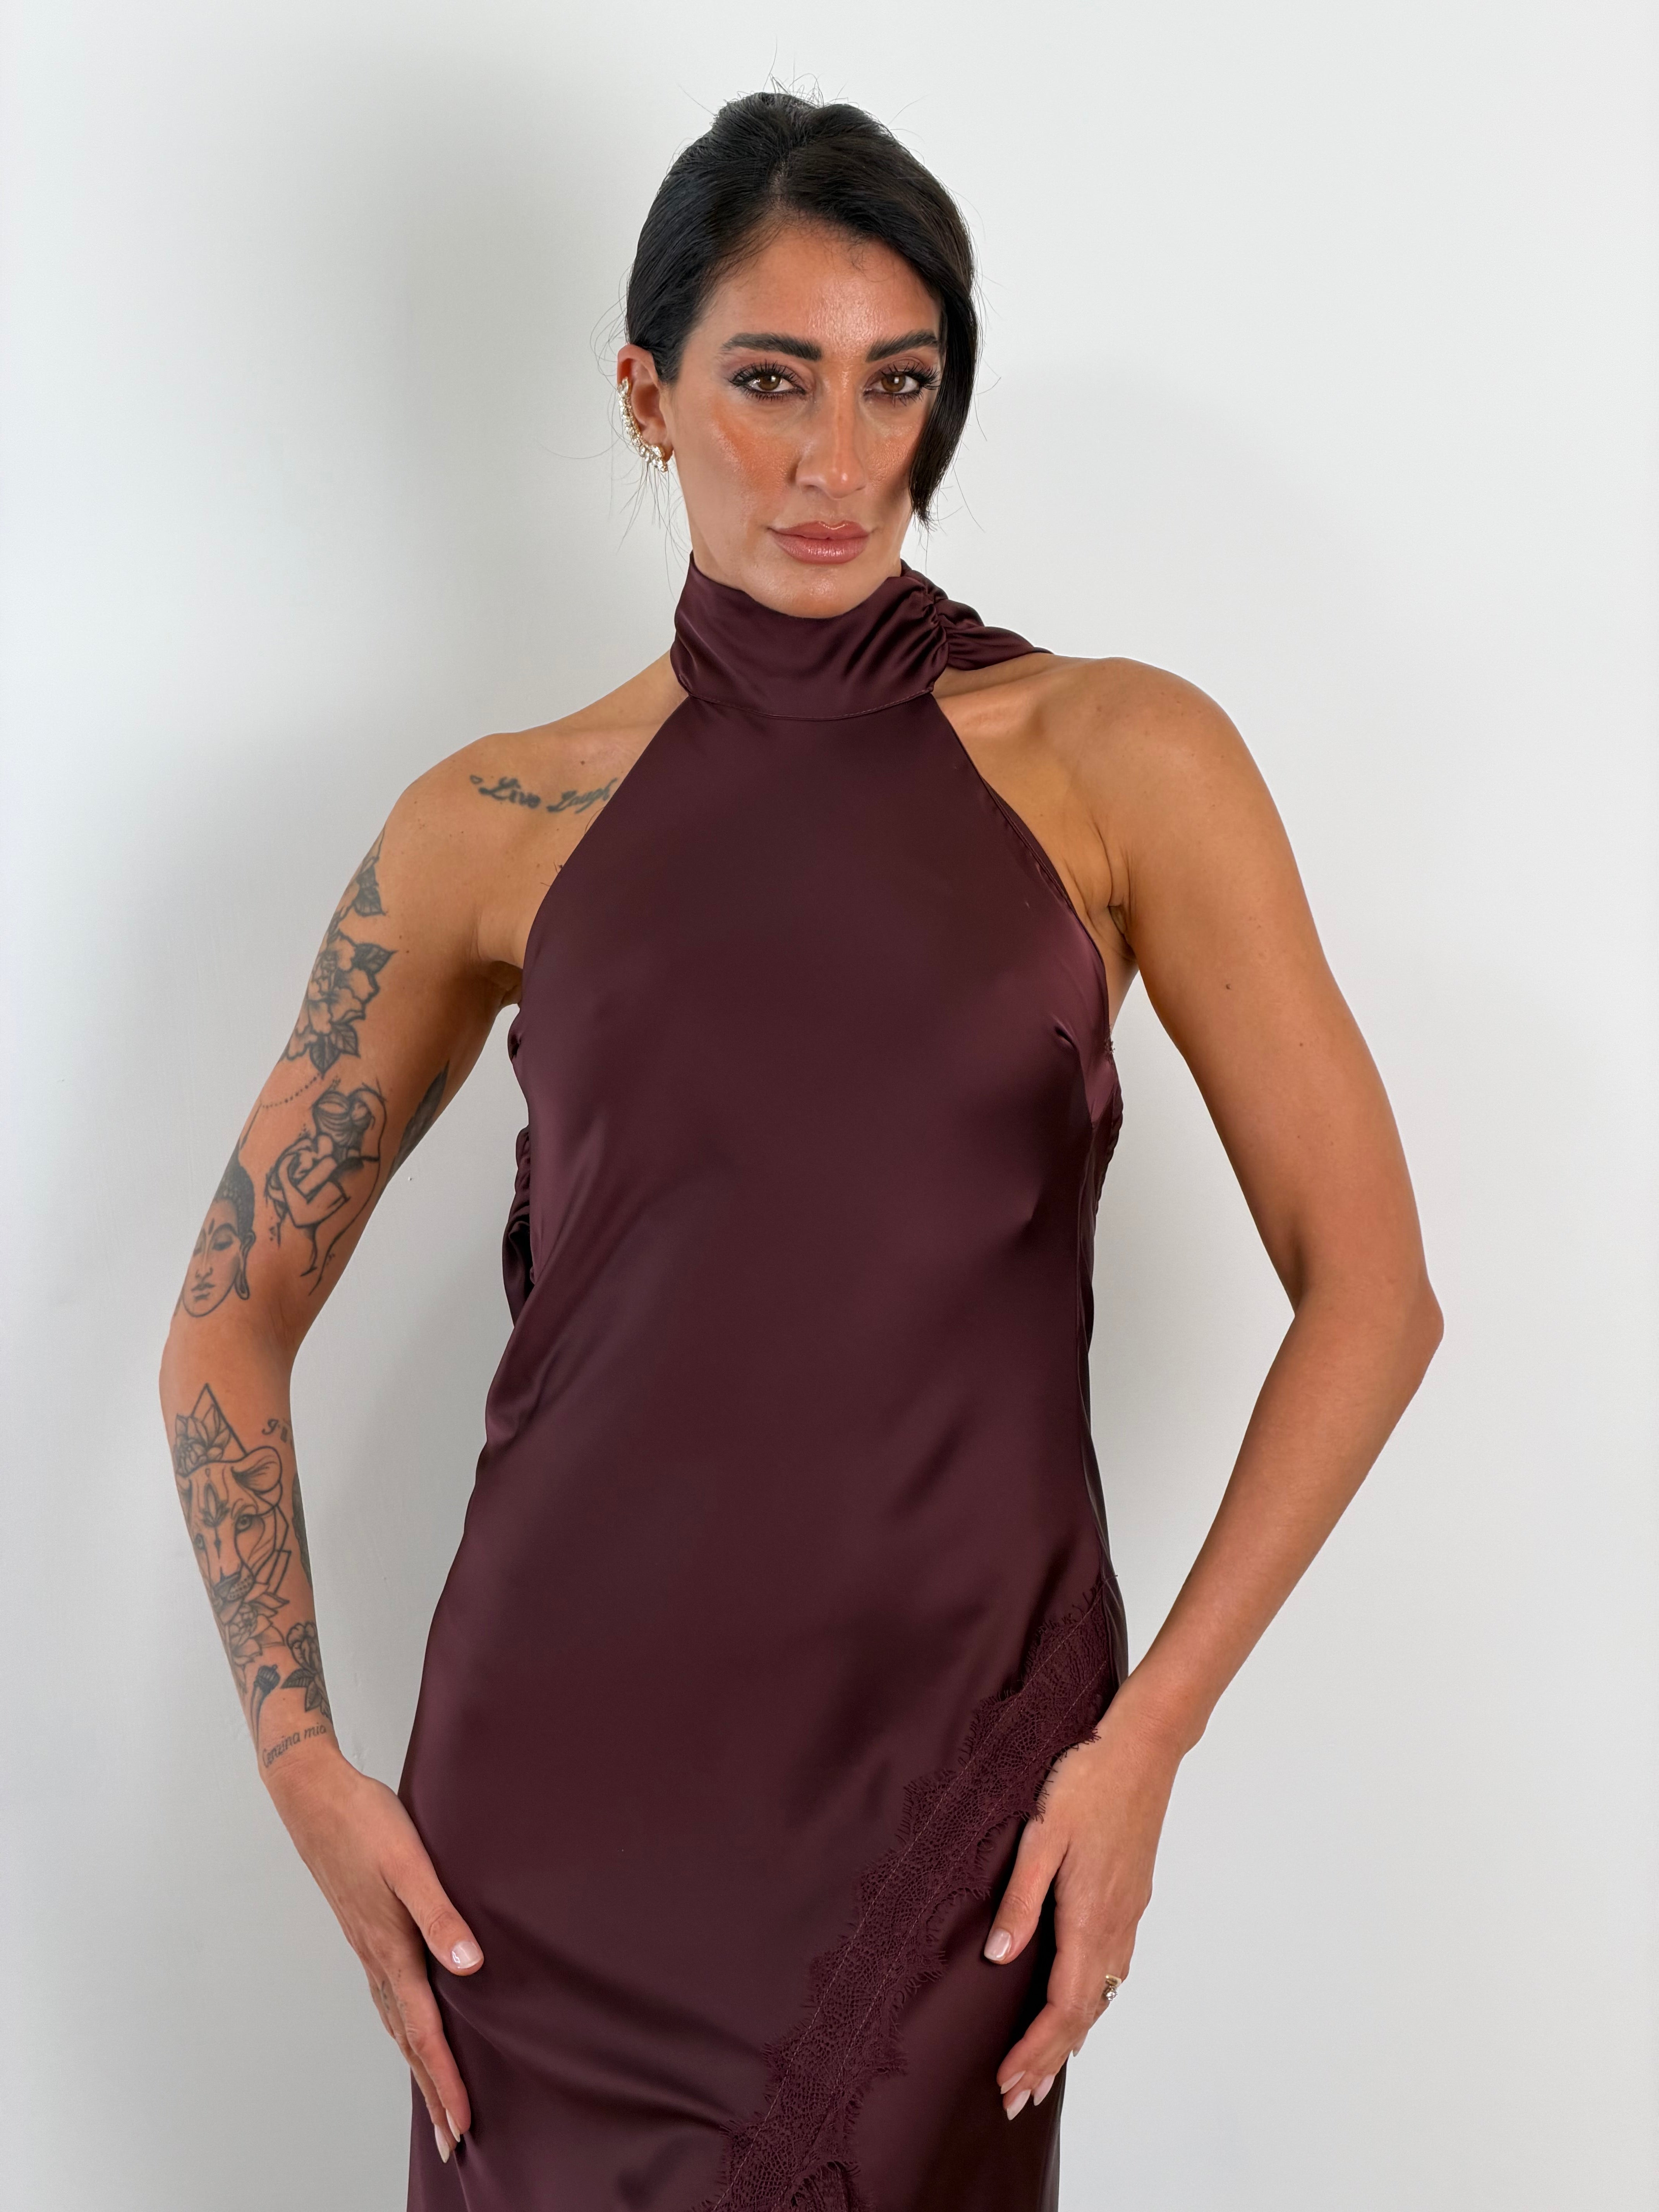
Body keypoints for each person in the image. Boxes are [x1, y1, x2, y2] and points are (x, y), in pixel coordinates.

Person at [159, 89, 1442, 2212]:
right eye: (771, 382)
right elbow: (228, 1316)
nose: (840, 461)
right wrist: (299, 1760)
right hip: (547, 1829)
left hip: (952, 1788)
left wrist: (1146, 1744)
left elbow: (1373, 1291)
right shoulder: (497, 821)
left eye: (896, 385)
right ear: (645, 394)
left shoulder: (1118, 759)